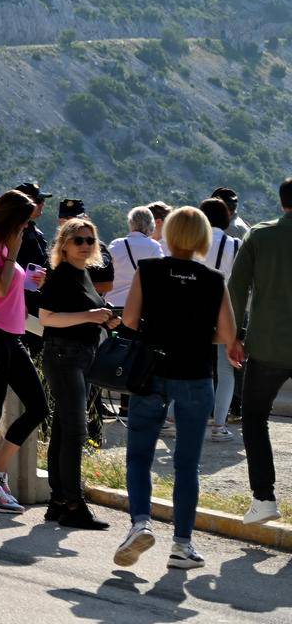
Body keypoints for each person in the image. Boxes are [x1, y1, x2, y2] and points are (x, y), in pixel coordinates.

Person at [115, 206, 238, 570]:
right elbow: (228, 335)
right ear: (201, 238)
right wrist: (198, 337)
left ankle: (140, 523)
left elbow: (131, 319)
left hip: (151, 372)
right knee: (187, 464)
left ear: (167, 234)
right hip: (196, 375)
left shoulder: (148, 270)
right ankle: (182, 545)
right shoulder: (213, 279)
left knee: (139, 455)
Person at [0, 189, 50, 513]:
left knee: (38, 407)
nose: (27, 229)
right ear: (11, 218)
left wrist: (33, 282)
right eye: (24, 222)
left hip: (12, 337)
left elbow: (11, 287)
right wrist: (13, 255)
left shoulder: (2, 246)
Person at [38, 215, 119, 529]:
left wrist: (103, 318)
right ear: (65, 245)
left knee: (63, 428)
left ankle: (59, 500)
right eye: (79, 240)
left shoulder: (82, 274)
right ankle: (73, 503)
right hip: (64, 355)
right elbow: (47, 317)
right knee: (75, 430)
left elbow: (82, 315)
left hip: (78, 355)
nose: (86, 246)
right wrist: (91, 314)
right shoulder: (60, 275)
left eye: (90, 240)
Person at [227, 177, 292, 527]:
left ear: (282, 202)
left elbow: (236, 287)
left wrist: (233, 335)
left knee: (254, 418)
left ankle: (264, 498)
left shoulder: (260, 235)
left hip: (266, 345)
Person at [200, 197, 241, 441]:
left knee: (186, 363)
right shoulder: (234, 244)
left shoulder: (194, 243)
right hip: (225, 309)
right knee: (225, 371)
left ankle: (171, 418)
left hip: (195, 311)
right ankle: (219, 425)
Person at [106, 207, 165, 312]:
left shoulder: (116, 244)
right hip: (138, 307)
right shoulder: (154, 246)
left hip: (113, 305)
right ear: (151, 225)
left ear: (131, 223)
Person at [60, 198, 115, 292]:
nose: (71, 223)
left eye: (75, 219)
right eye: (66, 219)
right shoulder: (56, 247)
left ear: (86, 219)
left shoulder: (95, 247)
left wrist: (76, 288)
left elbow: (107, 285)